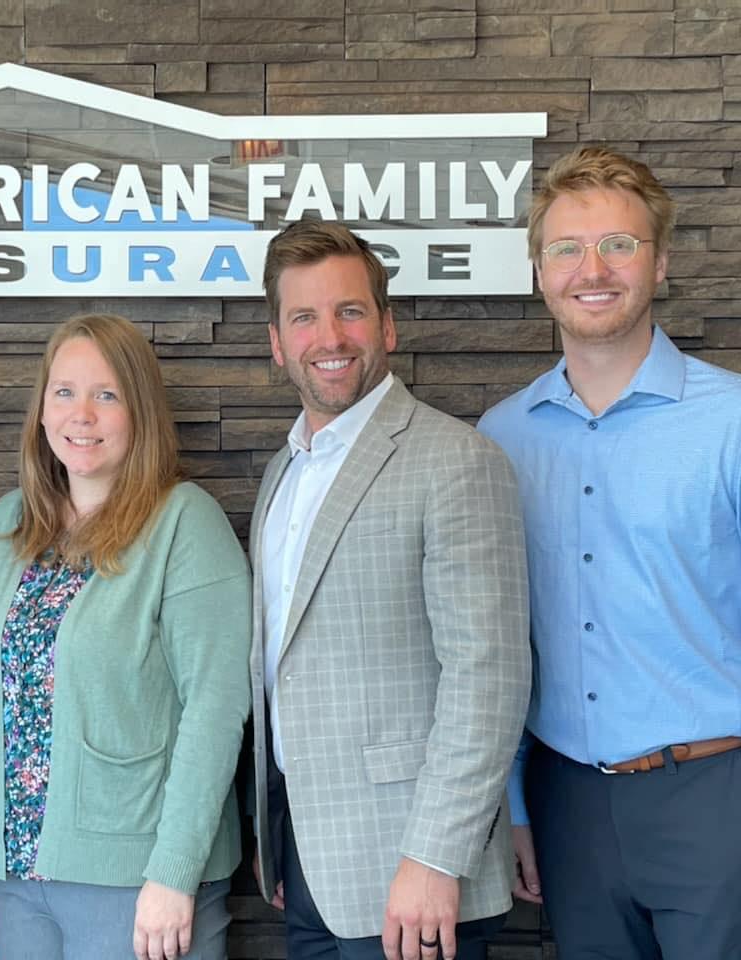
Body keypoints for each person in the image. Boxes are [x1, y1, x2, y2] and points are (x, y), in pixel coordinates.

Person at [477, 145, 741, 959]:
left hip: (717, 802)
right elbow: (504, 642)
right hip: (567, 812)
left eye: (618, 245)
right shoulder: (501, 439)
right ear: (538, 270)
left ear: (660, 262)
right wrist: (519, 808)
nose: (591, 269)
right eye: (566, 248)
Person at [248, 221, 531, 960]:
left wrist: (437, 858)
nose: (328, 336)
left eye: (350, 311)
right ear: (278, 342)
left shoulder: (456, 462)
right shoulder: (285, 472)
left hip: (414, 876)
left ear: (388, 326)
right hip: (309, 863)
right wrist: (277, 834)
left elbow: (489, 678)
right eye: (303, 317)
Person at [0, 314, 251, 960]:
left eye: (106, 394)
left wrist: (173, 873)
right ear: (40, 409)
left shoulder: (184, 523)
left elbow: (216, 709)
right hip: (18, 873)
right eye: (63, 392)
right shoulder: (12, 524)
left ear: (140, 411)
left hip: (139, 879)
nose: (80, 415)